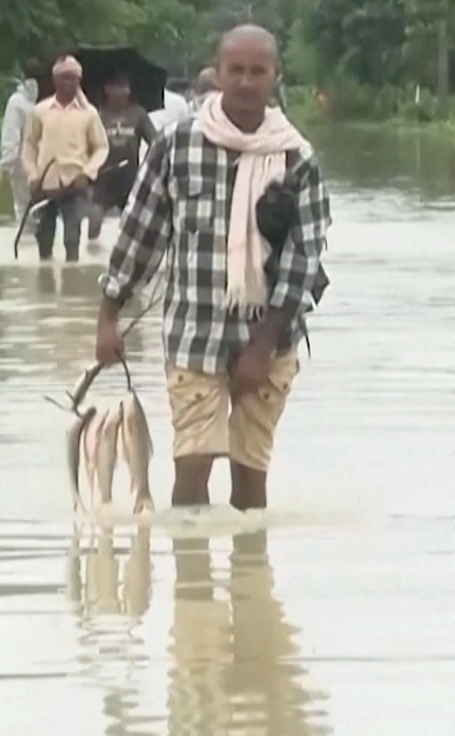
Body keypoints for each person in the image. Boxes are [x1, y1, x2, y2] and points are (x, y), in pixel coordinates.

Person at [95, 26, 332, 511]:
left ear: (275, 78)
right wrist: (108, 316)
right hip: (194, 334)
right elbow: (140, 235)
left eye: (258, 72)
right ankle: (192, 581)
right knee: (193, 465)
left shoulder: (296, 158)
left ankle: (250, 578)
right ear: (218, 74)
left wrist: (261, 349)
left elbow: (302, 262)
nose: (246, 82)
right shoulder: (177, 146)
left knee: (250, 472)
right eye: (236, 71)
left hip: (272, 339)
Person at [20, 55, 108, 263]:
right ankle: (46, 283)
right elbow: (29, 146)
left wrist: (87, 173)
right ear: (55, 81)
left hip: (74, 186)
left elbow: (101, 147)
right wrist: (33, 176)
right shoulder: (40, 111)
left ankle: (72, 278)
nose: (68, 83)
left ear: (79, 80)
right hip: (45, 185)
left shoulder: (89, 114)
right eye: (63, 78)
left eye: (73, 78)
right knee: (44, 238)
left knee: (72, 238)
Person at [87, 71, 159, 243]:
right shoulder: (97, 114)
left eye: (126, 87)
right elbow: (85, 144)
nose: (124, 91)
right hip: (103, 175)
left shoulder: (138, 113)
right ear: (108, 90)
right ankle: (90, 252)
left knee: (134, 225)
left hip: (130, 175)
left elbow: (156, 141)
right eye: (119, 87)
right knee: (94, 222)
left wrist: (148, 164)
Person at [0, 72, 39, 228]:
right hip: (40, 165)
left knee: (24, 211)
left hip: (25, 166)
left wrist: (6, 167)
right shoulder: (51, 98)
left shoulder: (16, 103)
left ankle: (27, 248)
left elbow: (11, 134)